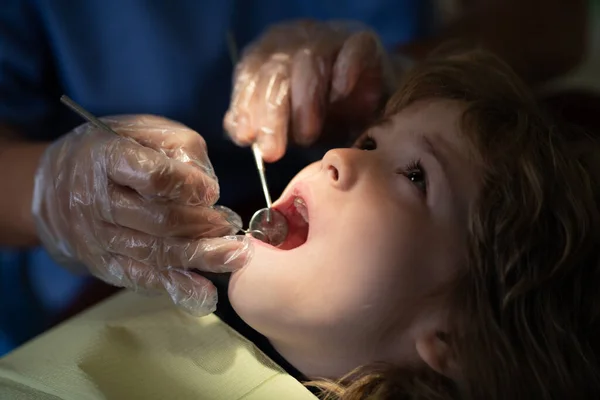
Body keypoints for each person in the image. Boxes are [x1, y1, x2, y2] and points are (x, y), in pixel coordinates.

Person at [1, 46, 599, 400]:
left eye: (415, 175)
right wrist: (41, 188)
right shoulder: (112, 300)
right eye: (369, 139)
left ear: (458, 340)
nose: (341, 157)